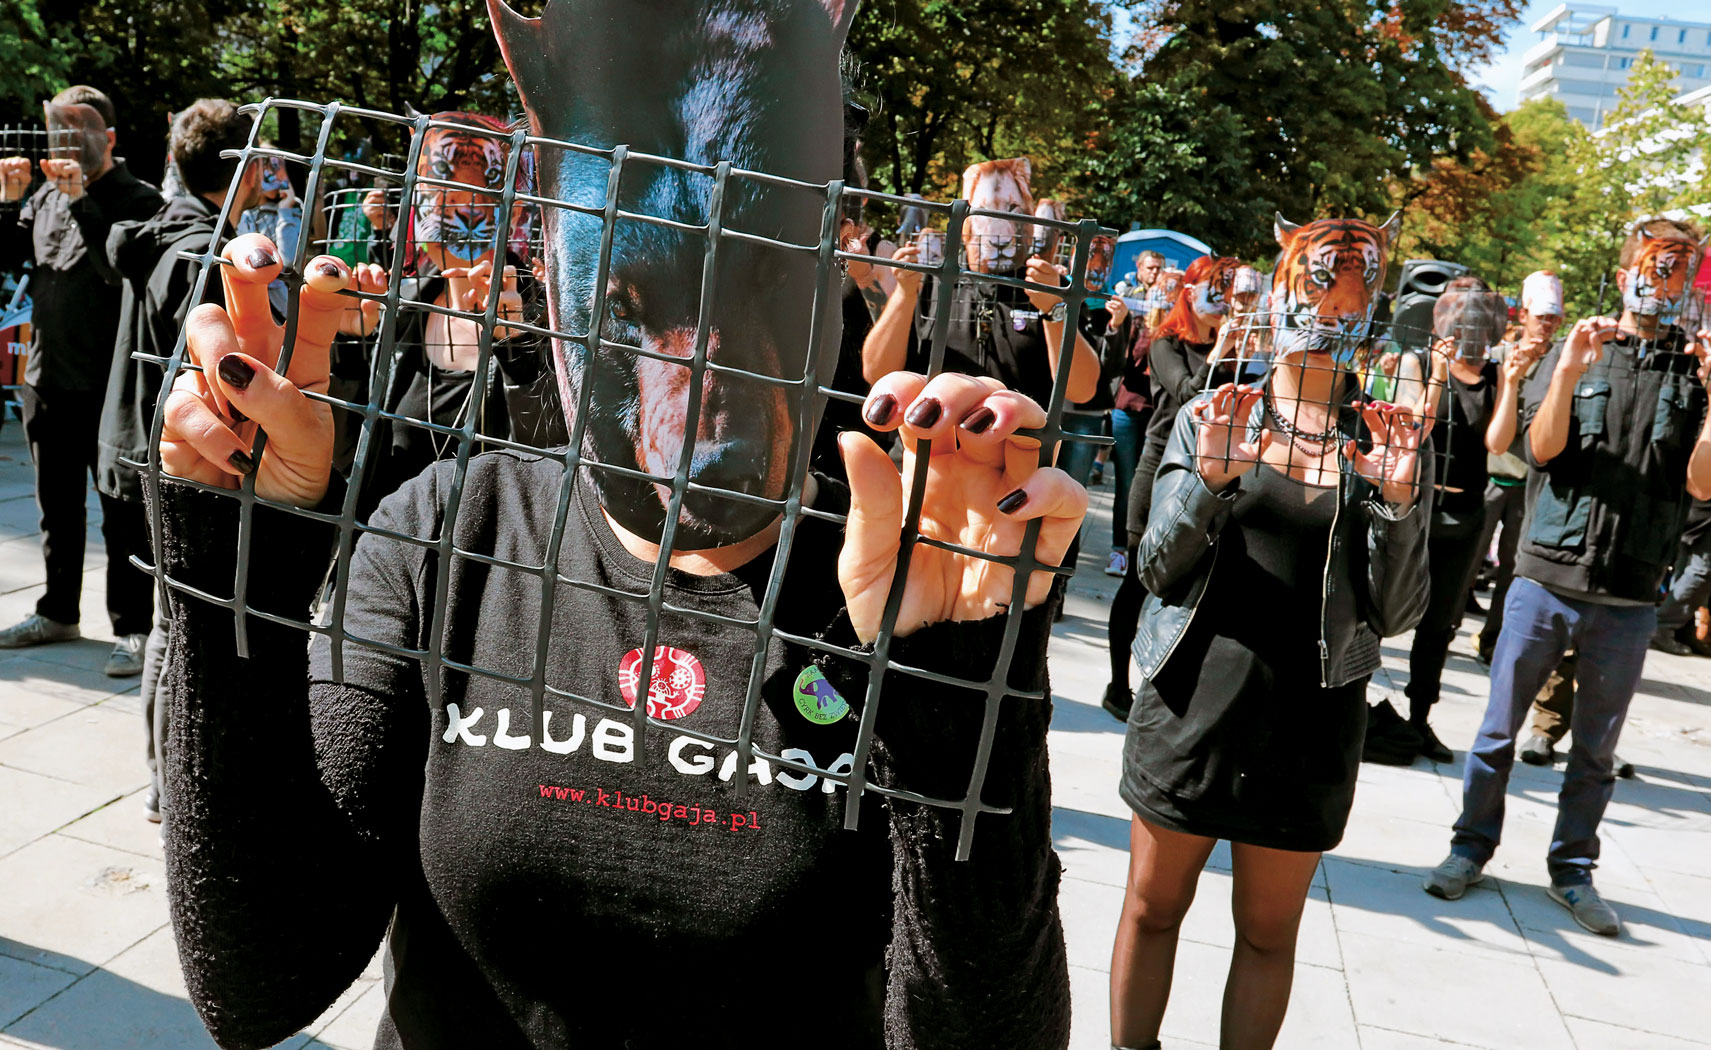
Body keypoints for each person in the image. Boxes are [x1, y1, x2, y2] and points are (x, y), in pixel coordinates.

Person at [1109, 212, 1427, 1050]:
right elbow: (1154, 569)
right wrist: (1209, 483)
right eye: (1318, 283)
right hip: (1191, 709)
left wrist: (1397, 505)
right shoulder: (1214, 415)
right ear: (1281, 294)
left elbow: (1397, 612)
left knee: (1266, 933)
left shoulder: (1386, 441)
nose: (1335, 307)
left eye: (1355, 288)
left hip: (1311, 725)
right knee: (1150, 908)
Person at [1425, 217, 1711, 938]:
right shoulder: (1578, 348)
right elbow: (1540, 451)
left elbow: (1701, 486)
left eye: (1679, 271)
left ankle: (1572, 870)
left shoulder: (1693, 369)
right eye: (1655, 268)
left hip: (1629, 593)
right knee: (1496, 734)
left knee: (1594, 753)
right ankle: (1469, 848)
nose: (1665, 283)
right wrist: (1569, 372)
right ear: (1622, 277)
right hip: (1543, 579)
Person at [101, 98, 261, 823]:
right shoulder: (199, 250)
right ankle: (168, 783)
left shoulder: (164, 229)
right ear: (242, 168)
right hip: (173, 459)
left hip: (136, 445)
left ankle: (164, 777)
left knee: (171, 621)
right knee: (177, 626)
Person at [0, 86, 163, 672]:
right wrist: (8, 201)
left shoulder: (140, 199)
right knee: (55, 506)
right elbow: (12, 259)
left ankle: (133, 627)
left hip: (110, 385)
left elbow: (116, 270)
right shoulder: (45, 194)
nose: (64, 144)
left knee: (121, 513)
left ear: (108, 137)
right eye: (57, 132)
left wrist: (80, 202)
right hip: (46, 376)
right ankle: (57, 611)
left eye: (76, 132)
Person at [1366, 277, 1507, 766]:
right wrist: (1439, 372)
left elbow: (1499, 442)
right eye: (1458, 313)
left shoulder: (1496, 375)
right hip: (1416, 506)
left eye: (1478, 315)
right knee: (1378, 602)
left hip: (1465, 514)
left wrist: (1511, 378)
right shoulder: (1418, 362)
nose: (1468, 324)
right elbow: (1414, 425)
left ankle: (1419, 716)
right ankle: (1353, 702)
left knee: (1439, 623)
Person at [1100, 254, 1244, 720]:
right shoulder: (1166, 342)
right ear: (1191, 292)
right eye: (1217, 290)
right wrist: (1220, 353)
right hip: (1164, 469)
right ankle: (1117, 684)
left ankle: (1166, 691)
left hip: (1212, 477)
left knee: (1193, 584)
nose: (1224, 301)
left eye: (1230, 292)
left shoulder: (1235, 349)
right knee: (1138, 580)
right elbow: (1188, 396)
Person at [1474, 270, 1563, 665]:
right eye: (1542, 316)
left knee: (1513, 568)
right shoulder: (1497, 357)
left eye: (1554, 318)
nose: (1548, 324)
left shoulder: (1561, 361)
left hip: (1531, 482)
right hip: (1491, 471)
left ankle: (1493, 640)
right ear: (1524, 315)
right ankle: (1445, 627)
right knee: (1470, 558)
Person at [1104, 249, 1164, 578]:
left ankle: (1143, 553)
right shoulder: (1129, 306)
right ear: (1139, 269)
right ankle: (1119, 550)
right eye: (1150, 268)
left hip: (1158, 412)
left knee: (1154, 485)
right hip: (1127, 408)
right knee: (1126, 483)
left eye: (1160, 269)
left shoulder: (1169, 315)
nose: (1155, 274)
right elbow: (1118, 359)